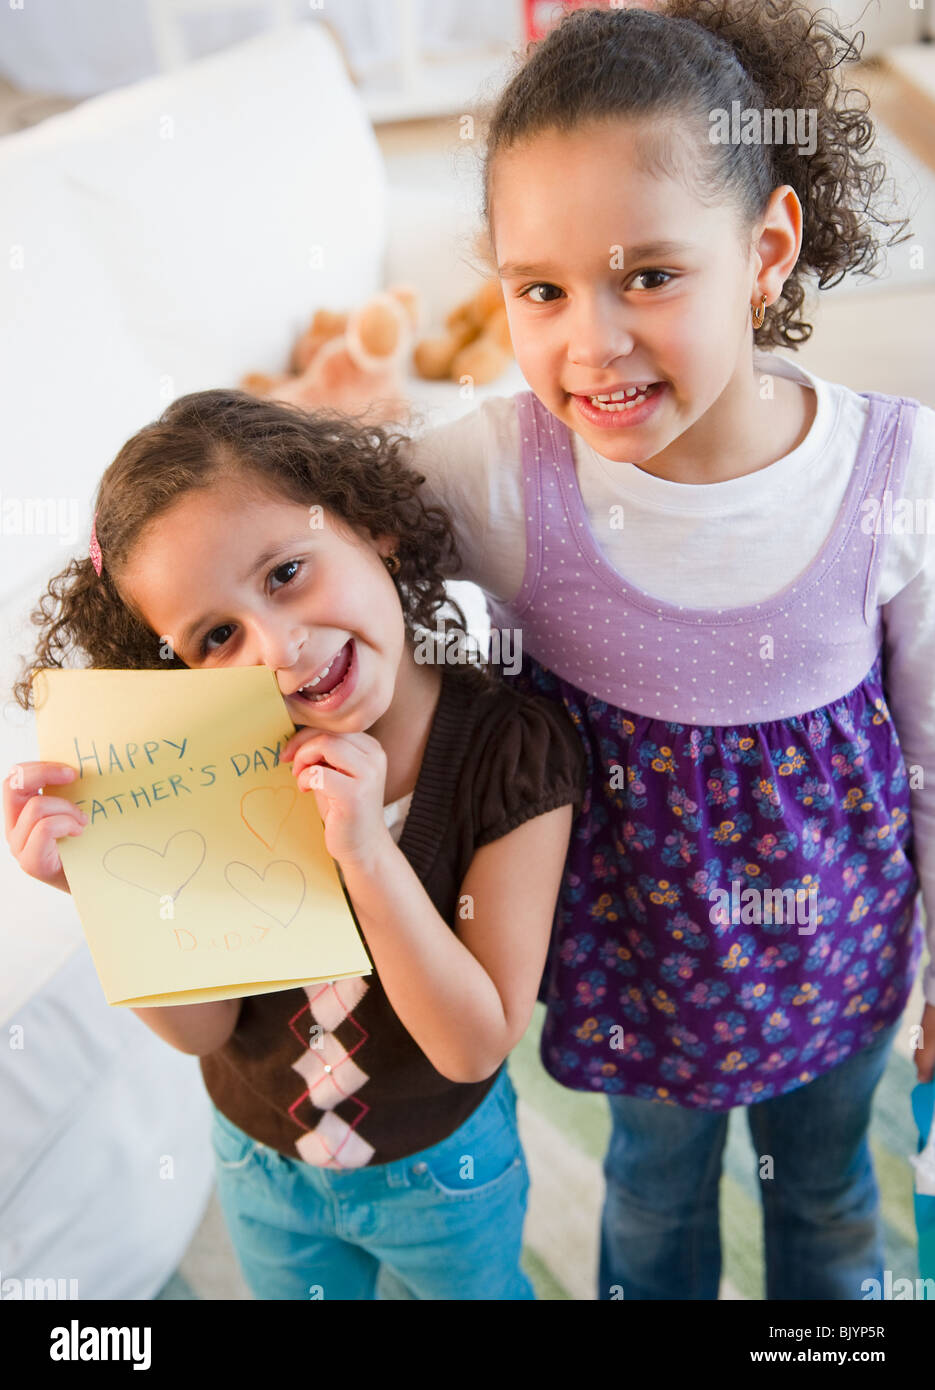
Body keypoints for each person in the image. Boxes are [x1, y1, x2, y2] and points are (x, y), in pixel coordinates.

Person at [402, 0, 935, 1299]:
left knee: (822, 1200)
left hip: (839, 964)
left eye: (647, 274)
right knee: (648, 1203)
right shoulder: (492, 467)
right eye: (539, 289)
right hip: (634, 981)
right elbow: (298, 543)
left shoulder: (891, 469)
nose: (590, 341)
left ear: (763, 251)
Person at [4, 389, 586, 1301]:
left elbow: (472, 1046)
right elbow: (202, 1031)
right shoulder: (217, 769)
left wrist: (363, 849)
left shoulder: (512, 753)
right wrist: (103, 890)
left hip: (443, 1173)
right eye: (217, 636)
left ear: (371, 525)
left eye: (284, 574)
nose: (278, 648)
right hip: (259, 1164)